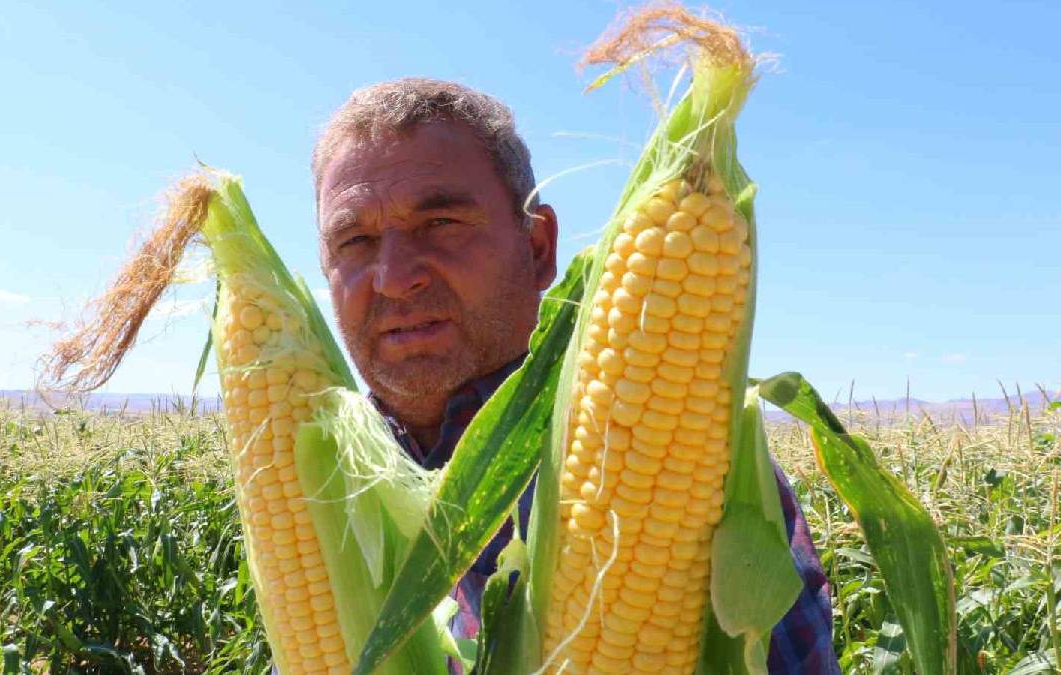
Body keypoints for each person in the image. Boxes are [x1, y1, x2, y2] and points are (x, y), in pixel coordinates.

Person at [312, 77, 838, 673]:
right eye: (355, 240)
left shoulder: (694, 472)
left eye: (441, 224)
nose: (393, 277)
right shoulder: (316, 478)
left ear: (538, 248)